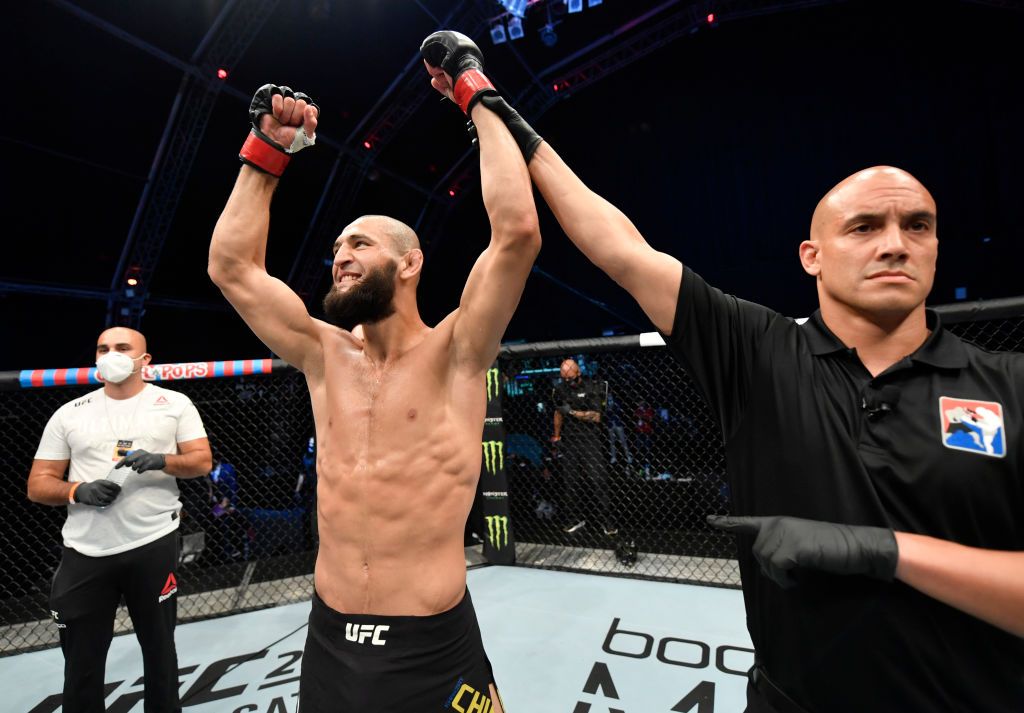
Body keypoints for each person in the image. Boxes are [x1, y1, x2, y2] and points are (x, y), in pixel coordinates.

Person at [440, 63, 1024, 707]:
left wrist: (888, 552)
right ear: (813, 256)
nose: (895, 244)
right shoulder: (760, 352)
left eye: (918, 226)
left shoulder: (1009, 385)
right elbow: (622, 250)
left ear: (938, 245)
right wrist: (488, 102)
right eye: (864, 227)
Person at [208, 31, 540, 711]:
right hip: (329, 640)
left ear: (409, 262)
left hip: (434, 644)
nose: (340, 255)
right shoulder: (323, 355)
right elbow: (232, 267)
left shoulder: (458, 350)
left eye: (359, 242)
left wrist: (474, 90)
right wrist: (267, 152)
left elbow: (516, 233)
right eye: (336, 247)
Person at [26, 327, 213, 713]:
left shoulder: (174, 403)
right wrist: (77, 490)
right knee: (81, 660)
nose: (111, 353)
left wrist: (162, 460)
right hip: (86, 548)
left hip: (153, 541)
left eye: (122, 348)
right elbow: (38, 484)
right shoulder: (70, 413)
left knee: (160, 650)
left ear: (144, 360)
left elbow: (201, 462)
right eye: (103, 348)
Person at [551, 358, 616, 536]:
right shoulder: (560, 389)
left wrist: (571, 411)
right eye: (564, 379)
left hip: (590, 439)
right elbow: (558, 412)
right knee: (570, 482)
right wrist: (556, 435)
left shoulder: (592, 386)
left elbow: (596, 416)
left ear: (578, 374)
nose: (567, 382)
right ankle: (575, 518)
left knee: (598, 480)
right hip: (570, 440)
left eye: (570, 379)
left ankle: (607, 521)